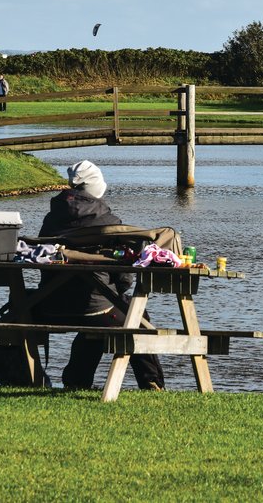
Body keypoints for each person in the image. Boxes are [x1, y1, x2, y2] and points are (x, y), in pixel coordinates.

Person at [34, 160, 165, 391]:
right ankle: (151, 383)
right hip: (95, 308)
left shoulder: (50, 220)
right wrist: (116, 292)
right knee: (134, 314)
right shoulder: (109, 223)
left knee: (98, 321)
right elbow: (124, 277)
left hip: (47, 304)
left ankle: (76, 382)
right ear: (96, 187)